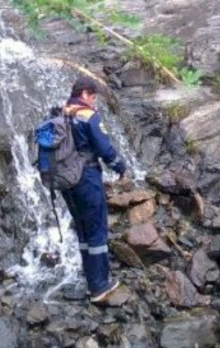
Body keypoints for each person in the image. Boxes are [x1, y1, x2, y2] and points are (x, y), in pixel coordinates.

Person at [62, 75, 128, 304]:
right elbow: (103, 148)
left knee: (82, 228)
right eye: (93, 96)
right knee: (97, 228)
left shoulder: (60, 113)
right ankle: (100, 286)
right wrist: (120, 166)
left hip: (65, 180)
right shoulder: (87, 116)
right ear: (84, 94)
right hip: (86, 178)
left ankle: (91, 276)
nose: (94, 102)